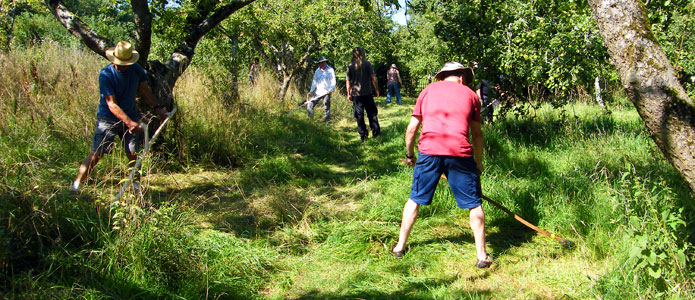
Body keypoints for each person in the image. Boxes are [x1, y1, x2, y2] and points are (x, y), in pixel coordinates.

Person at [391, 62, 491, 268]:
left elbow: (411, 129)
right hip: (460, 154)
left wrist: (410, 155)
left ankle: (400, 246)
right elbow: (477, 134)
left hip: (429, 152)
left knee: (415, 198)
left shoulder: (427, 91)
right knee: (474, 203)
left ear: (442, 76)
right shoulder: (472, 95)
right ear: (462, 77)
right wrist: (478, 164)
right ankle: (481, 255)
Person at [71, 41, 167, 193]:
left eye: (125, 63)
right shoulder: (106, 75)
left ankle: (136, 188)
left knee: (133, 154)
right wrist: (129, 123)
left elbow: (144, 90)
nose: (122, 66)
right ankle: (76, 186)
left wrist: (158, 108)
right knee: (98, 153)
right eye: (119, 63)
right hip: (108, 118)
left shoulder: (136, 70)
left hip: (130, 115)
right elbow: (111, 104)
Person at [346, 47, 380, 141]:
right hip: (368, 93)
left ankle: (363, 135)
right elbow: (373, 78)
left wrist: (348, 93)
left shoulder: (350, 66)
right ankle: (376, 133)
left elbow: (348, 81)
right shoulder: (367, 64)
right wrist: (376, 89)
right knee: (372, 113)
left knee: (359, 116)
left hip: (356, 95)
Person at [306, 56, 336, 121]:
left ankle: (327, 121)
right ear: (319, 63)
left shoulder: (330, 70)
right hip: (318, 92)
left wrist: (331, 89)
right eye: (321, 62)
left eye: (324, 62)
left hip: (326, 92)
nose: (322, 64)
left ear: (325, 62)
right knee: (310, 105)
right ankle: (310, 120)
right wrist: (311, 91)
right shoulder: (317, 71)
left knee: (326, 106)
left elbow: (333, 81)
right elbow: (314, 81)